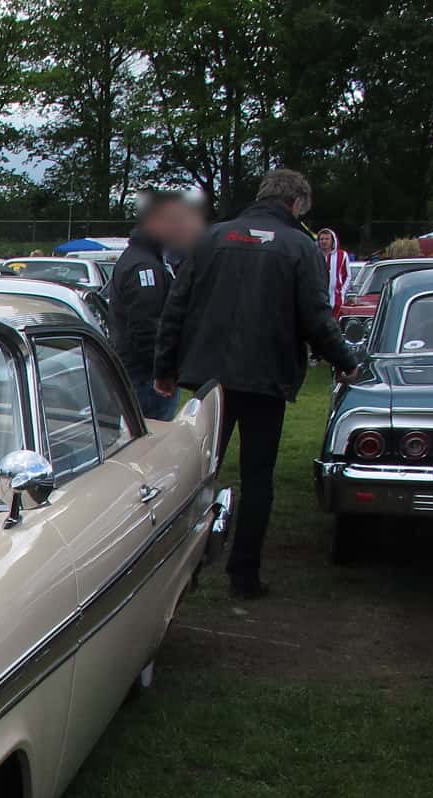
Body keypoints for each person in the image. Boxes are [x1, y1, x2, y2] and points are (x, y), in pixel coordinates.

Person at [154, 169, 362, 600]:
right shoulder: (300, 246)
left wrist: (165, 367)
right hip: (265, 378)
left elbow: (177, 306)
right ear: (298, 204)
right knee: (257, 478)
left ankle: (176, 567)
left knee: (196, 471)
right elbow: (316, 317)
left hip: (210, 378)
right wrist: (346, 362)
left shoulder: (212, 238)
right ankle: (243, 573)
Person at [111, 192, 206, 421]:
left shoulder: (142, 260)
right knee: (154, 435)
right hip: (144, 375)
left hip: (138, 370)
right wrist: (163, 370)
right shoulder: (145, 268)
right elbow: (146, 326)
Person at [317, 228, 351, 307]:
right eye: (321, 239)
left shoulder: (342, 255)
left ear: (332, 240)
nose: (324, 241)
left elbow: (347, 276)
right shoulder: (314, 255)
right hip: (318, 298)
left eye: (327, 239)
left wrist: (342, 291)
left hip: (336, 299)